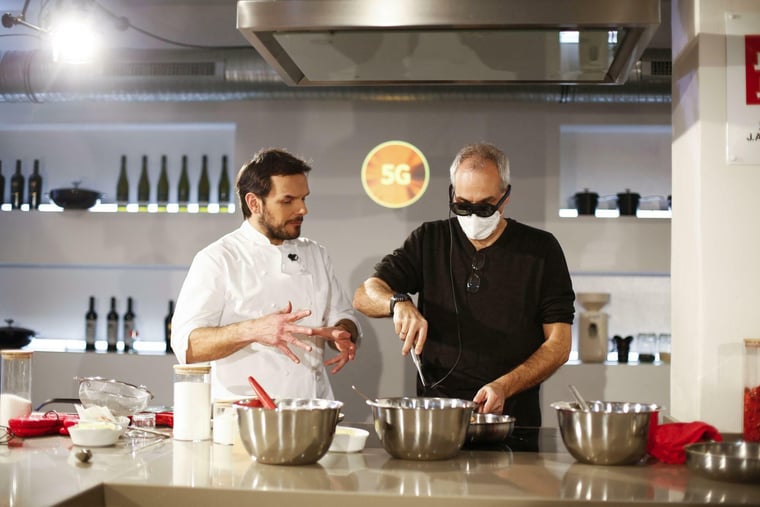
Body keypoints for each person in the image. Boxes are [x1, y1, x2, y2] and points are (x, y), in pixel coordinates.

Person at [353, 143, 574, 427]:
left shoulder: (541, 250)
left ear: (505, 197)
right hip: (437, 419)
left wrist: (504, 386)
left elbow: (559, 344)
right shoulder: (429, 239)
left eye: (484, 208)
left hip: (512, 421)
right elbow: (365, 295)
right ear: (451, 194)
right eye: (462, 205)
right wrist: (397, 303)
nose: (472, 217)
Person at [172, 148, 359, 401]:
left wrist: (343, 333)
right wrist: (253, 330)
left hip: (311, 407)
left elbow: (343, 314)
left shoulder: (316, 254)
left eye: (304, 198)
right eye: (288, 201)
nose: (302, 209)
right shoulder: (218, 258)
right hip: (243, 413)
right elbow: (188, 346)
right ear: (254, 203)